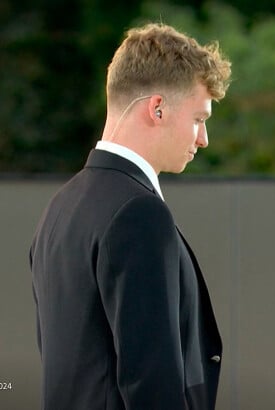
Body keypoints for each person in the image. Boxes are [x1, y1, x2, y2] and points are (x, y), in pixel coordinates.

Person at [29, 23, 231, 410]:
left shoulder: (60, 208)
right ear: (157, 108)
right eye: (199, 119)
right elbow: (152, 385)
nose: (203, 139)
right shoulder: (138, 214)